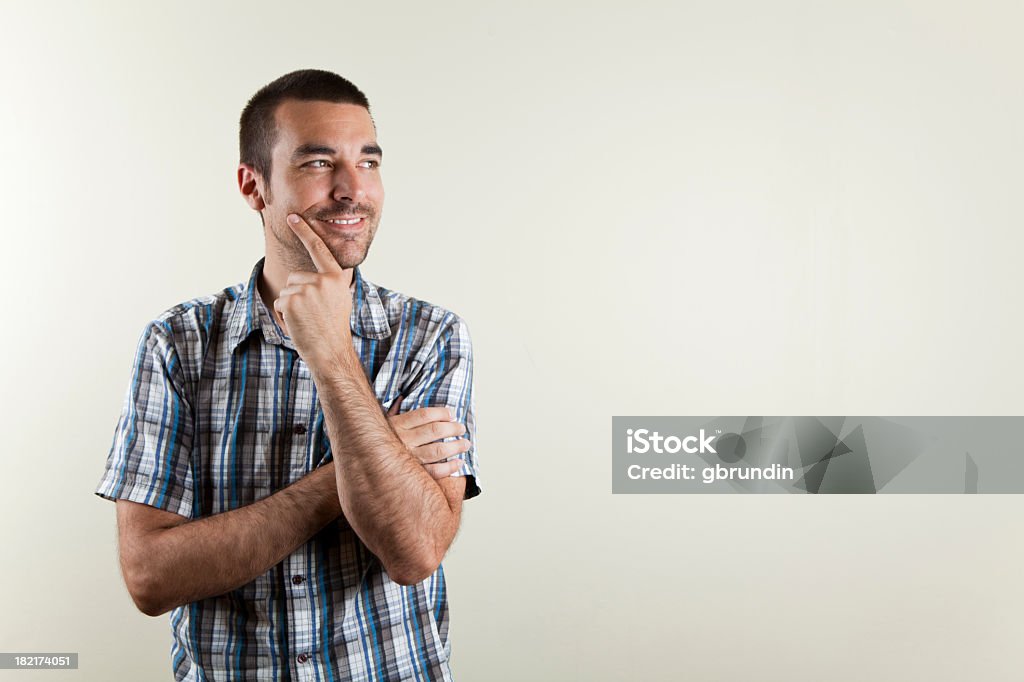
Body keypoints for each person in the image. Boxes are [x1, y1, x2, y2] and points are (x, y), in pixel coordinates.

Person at [95, 69, 480, 681]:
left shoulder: (429, 336)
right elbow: (150, 576)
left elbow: (413, 552)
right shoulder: (177, 343)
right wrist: (357, 468)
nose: (354, 190)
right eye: (319, 164)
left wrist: (331, 355)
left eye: (369, 162)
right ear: (254, 187)